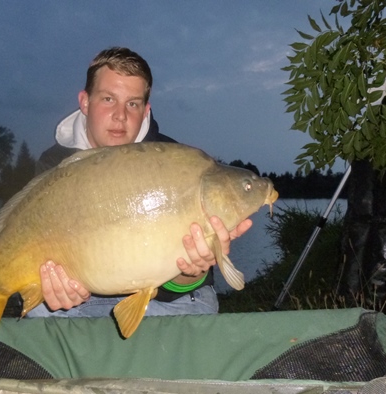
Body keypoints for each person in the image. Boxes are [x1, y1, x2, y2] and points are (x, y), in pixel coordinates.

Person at [27, 46, 252, 320]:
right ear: (85, 102)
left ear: (146, 111)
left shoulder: (176, 163)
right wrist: (55, 288)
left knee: (200, 306)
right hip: (83, 297)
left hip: (168, 299)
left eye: (132, 104)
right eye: (108, 99)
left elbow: (183, 284)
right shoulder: (54, 165)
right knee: (40, 308)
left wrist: (190, 272)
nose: (120, 115)